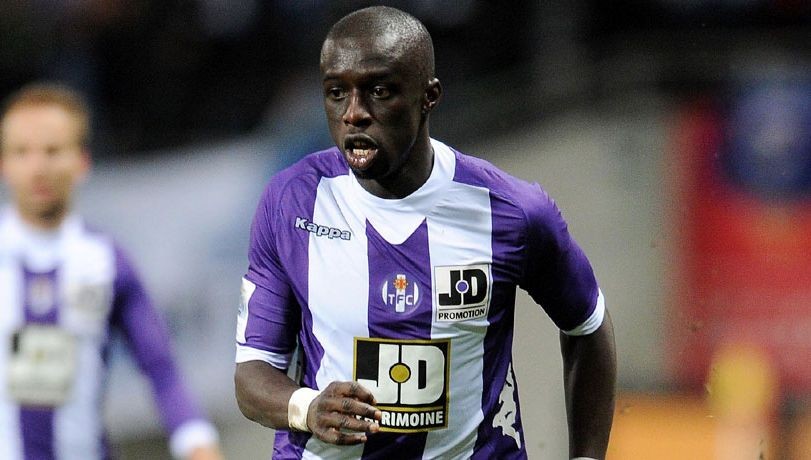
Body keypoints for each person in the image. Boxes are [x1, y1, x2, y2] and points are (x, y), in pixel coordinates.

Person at [234, 6, 616, 460]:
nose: (354, 113)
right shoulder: (291, 203)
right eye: (337, 93)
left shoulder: (513, 212)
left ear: (428, 96)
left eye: (379, 91)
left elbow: (587, 325)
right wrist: (307, 407)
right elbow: (253, 372)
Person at [0, 82, 223, 460]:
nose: (38, 168)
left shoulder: (105, 262)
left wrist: (198, 444)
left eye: (52, 151)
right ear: (4, 164)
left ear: (82, 161)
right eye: (22, 152)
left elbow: (160, 368)